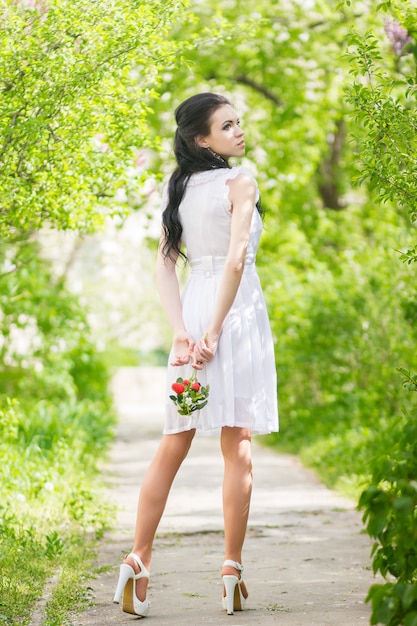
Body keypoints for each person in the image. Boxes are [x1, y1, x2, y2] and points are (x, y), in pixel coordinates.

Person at [113, 92, 278, 617]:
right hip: (237, 314)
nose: (239, 132)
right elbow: (236, 259)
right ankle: (231, 567)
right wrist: (213, 330)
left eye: (238, 123)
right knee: (238, 442)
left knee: (173, 441)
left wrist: (182, 332)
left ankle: (138, 558)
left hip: (196, 310)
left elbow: (164, 265)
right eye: (226, 126)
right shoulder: (241, 181)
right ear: (200, 138)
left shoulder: (179, 188)